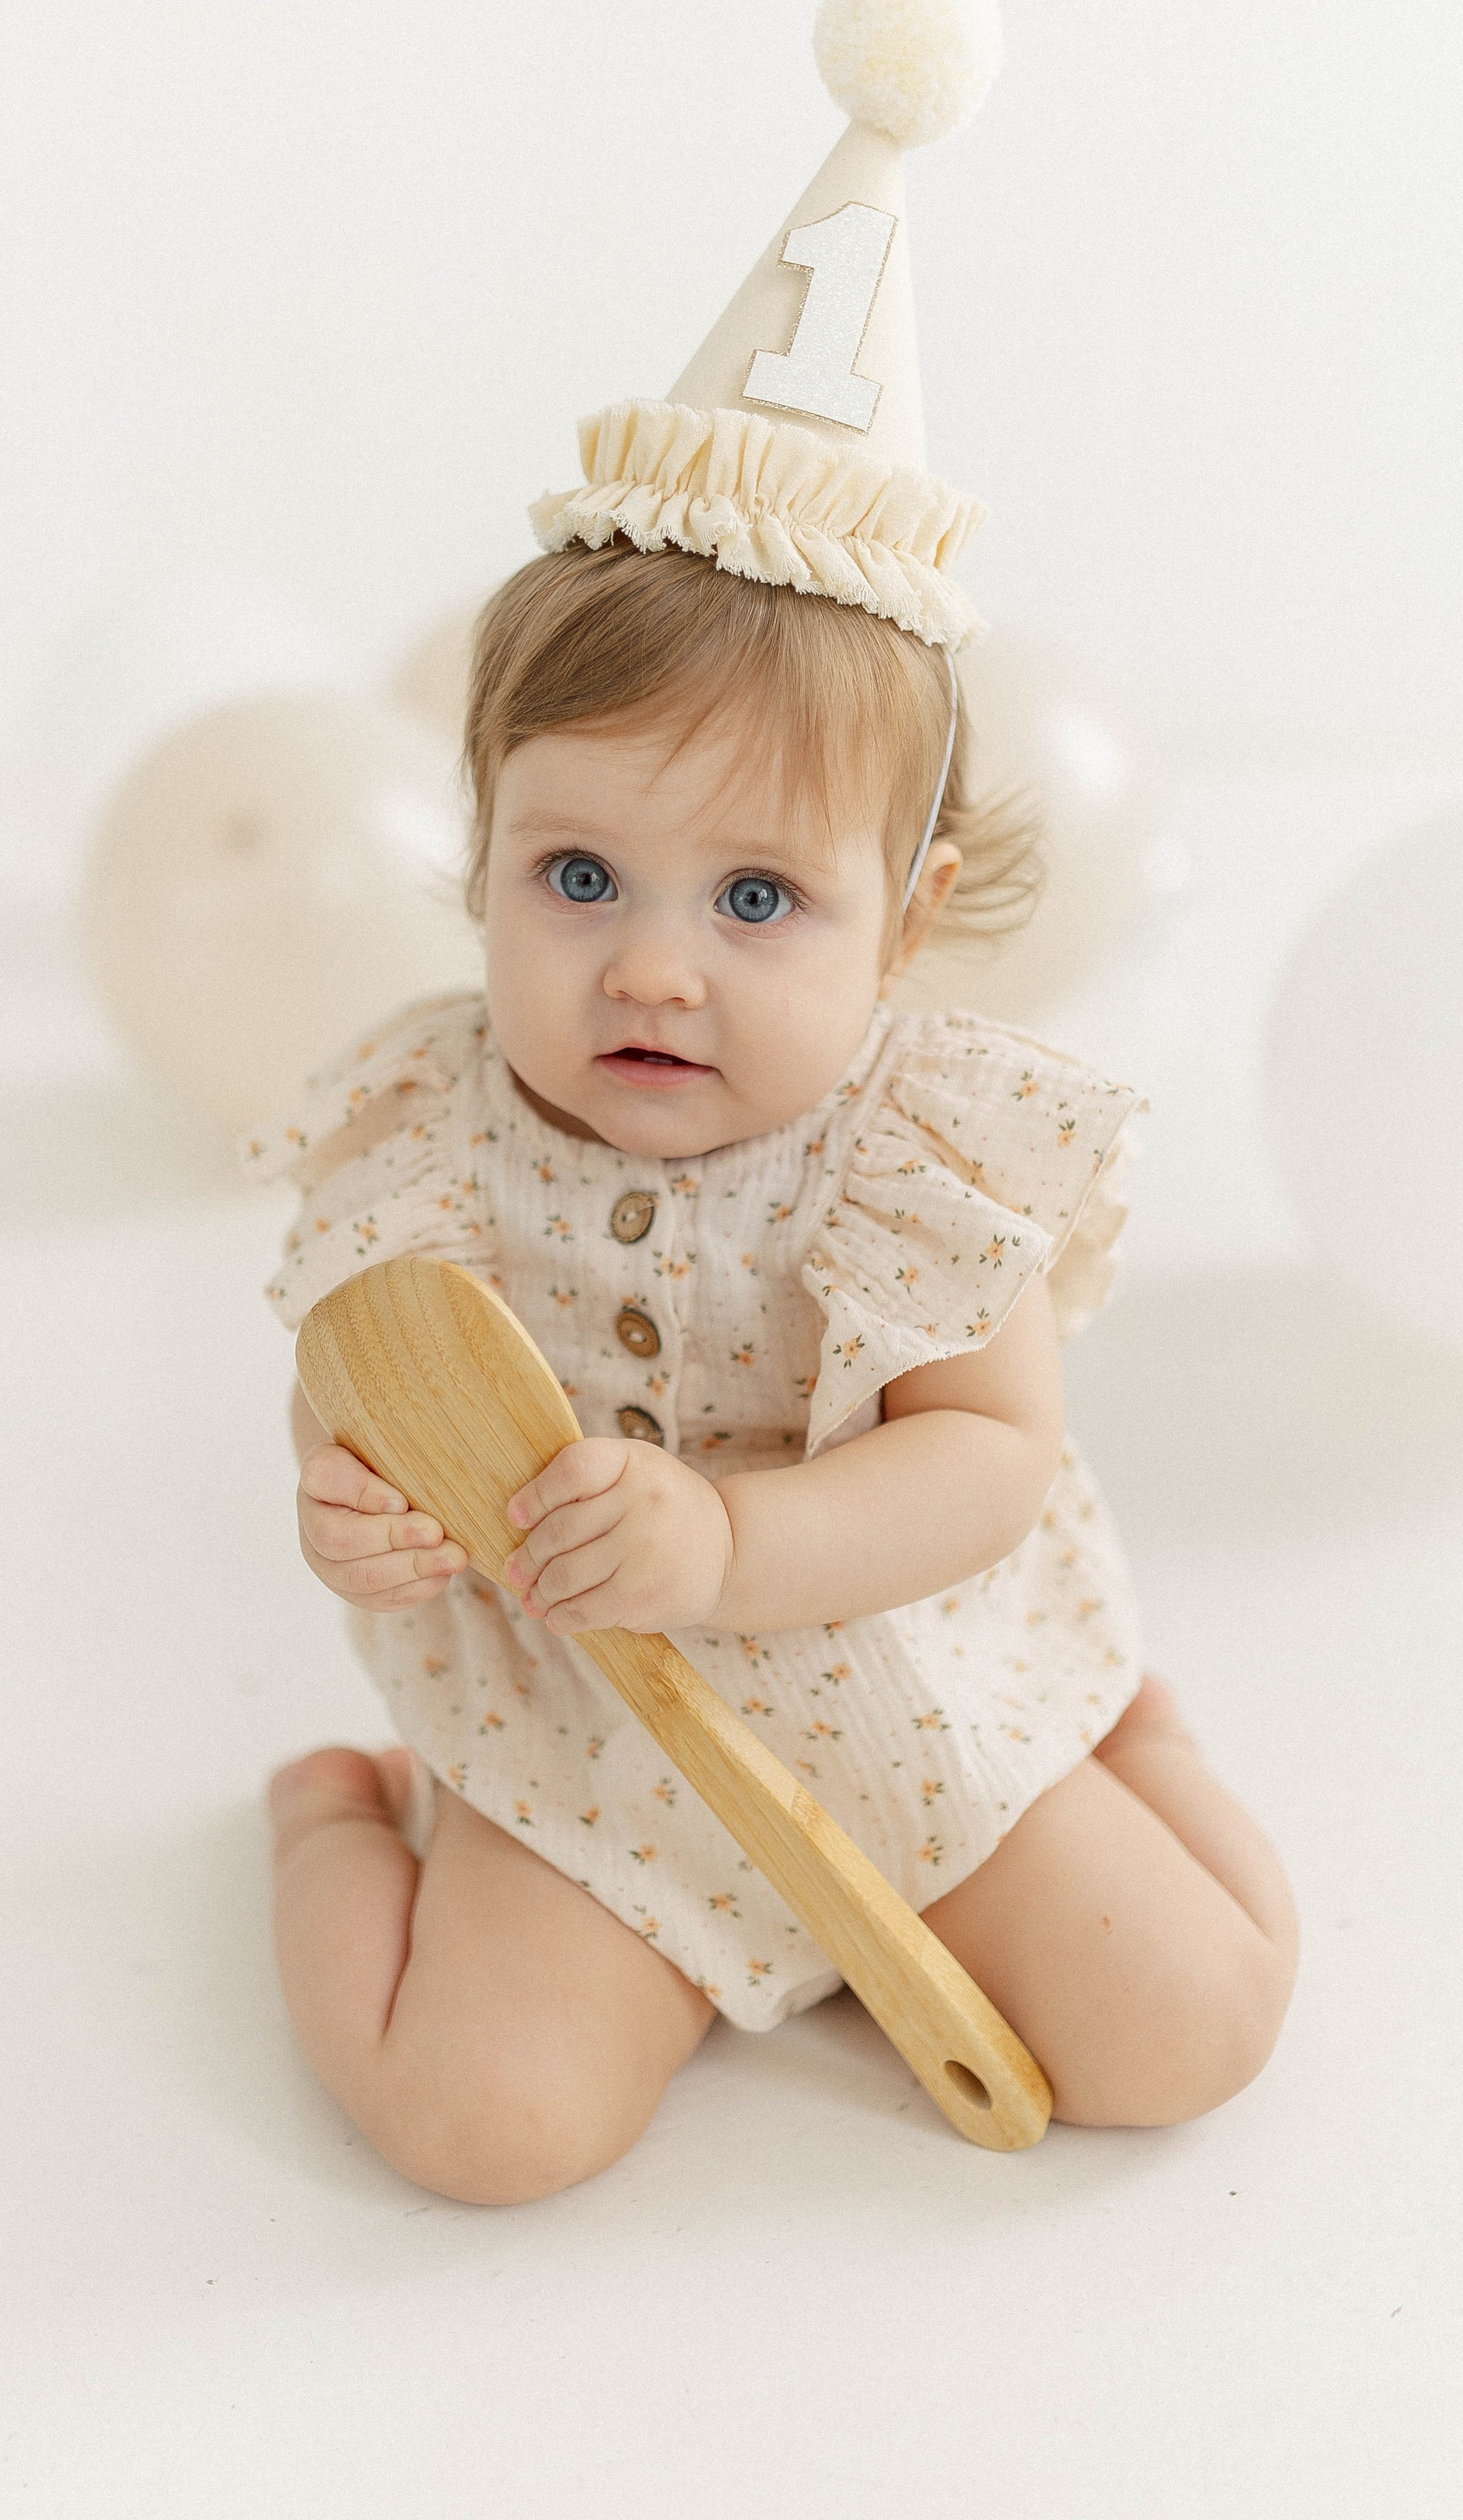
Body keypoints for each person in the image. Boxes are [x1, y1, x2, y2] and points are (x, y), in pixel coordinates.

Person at [243, 3, 1298, 2202]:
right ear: (482, 847)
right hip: (591, 1728)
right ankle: (339, 1829)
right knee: (486, 2129)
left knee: (1194, 2028)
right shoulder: (435, 1120)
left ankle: (1139, 1731)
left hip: (898, 1678)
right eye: (578, 876)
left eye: (755, 898)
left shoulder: (913, 1153)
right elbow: (374, 1376)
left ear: (905, 927)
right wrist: (357, 1500)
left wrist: (735, 1546)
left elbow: (987, 1457)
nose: (652, 964)